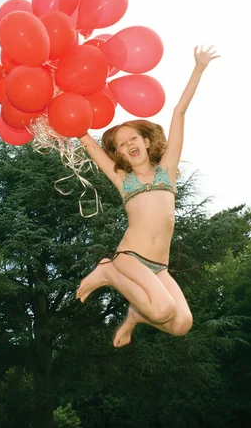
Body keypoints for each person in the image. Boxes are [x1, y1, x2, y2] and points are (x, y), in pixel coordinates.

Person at [76, 45, 219, 347]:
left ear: (145, 139)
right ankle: (109, 272)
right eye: (121, 145)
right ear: (119, 155)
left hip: (160, 266)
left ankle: (134, 316)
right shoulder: (123, 180)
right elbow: (90, 146)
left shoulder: (166, 171)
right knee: (164, 308)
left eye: (133, 139)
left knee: (181, 324)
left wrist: (199, 67)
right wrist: (69, 112)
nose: (129, 145)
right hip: (129, 258)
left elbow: (179, 112)